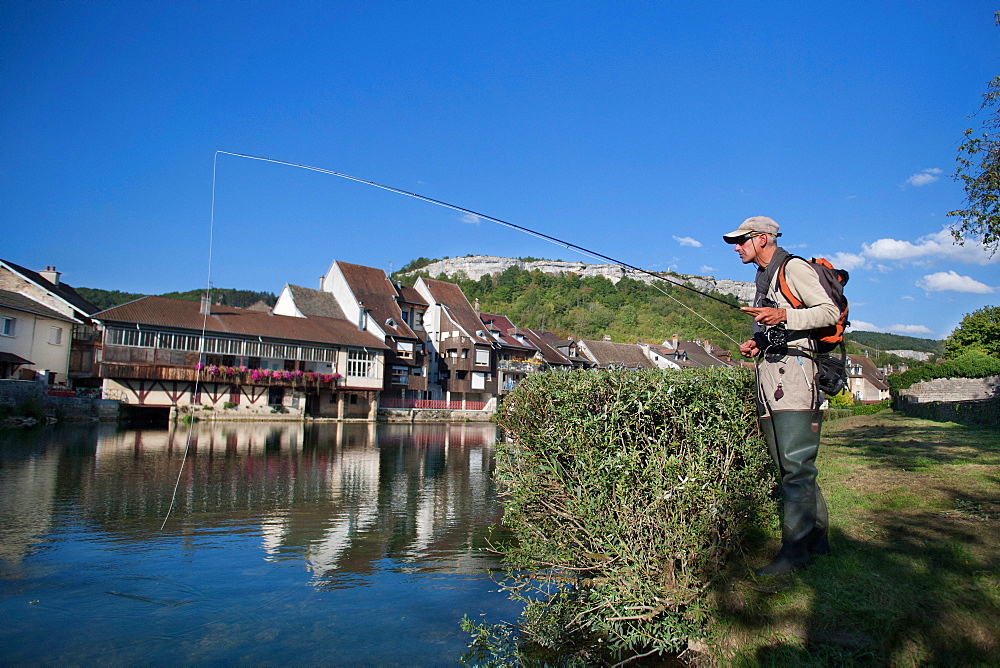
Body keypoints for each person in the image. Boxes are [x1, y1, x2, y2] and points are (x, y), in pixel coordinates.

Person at [723, 216, 840, 576]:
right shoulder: (763, 278)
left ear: (762, 238)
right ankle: (818, 542)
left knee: (795, 469)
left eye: (741, 241)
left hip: (795, 381)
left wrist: (782, 313)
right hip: (773, 376)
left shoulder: (793, 268)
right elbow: (780, 327)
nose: (736, 248)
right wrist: (758, 342)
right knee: (792, 467)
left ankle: (794, 554)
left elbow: (828, 312)